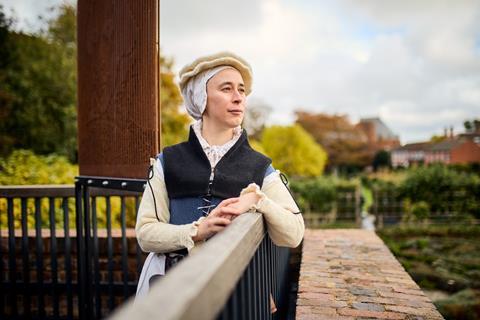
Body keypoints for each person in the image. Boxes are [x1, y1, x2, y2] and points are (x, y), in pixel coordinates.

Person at [135, 52, 305, 300]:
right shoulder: (167, 161)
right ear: (201, 98)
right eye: (226, 89)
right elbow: (145, 234)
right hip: (173, 288)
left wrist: (259, 200)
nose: (238, 98)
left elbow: (294, 234)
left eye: (242, 90)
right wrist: (197, 231)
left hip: (238, 296)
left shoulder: (260, 167)